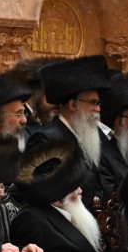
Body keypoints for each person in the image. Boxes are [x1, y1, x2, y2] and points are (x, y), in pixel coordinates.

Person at [26, 55, 113, 204]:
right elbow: (46, 196)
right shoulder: (46, 139)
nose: (98, 109)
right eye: (92, 102)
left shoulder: (91, 138)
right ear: (73, 105)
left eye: (98, 103)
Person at [12, 140, 102, 252]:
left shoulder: (67, 213)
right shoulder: (30, 220)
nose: (80, 191)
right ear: (57, 200)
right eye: (74, 188)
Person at [12, 56, 65, 132]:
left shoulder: (42, 120)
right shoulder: (17, 124)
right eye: (55, 92)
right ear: (36, 91)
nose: (60, 103)